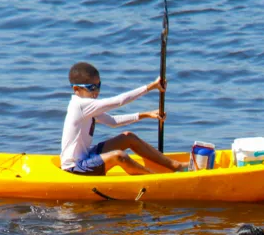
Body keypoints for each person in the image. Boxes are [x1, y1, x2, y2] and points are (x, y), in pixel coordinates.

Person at [59, 61, 188, 176]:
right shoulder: (80, 105)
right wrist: (151, 87)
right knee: (119, 156)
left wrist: (146, 114)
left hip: (86, 156)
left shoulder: (87, 105)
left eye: (98, 86)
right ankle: (155, 179)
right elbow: (119, 101)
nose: (96, 92)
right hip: (74, 167)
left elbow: (113, 122)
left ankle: (176, 166)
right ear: (76, 89)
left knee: (128, 137)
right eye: (92, 88)